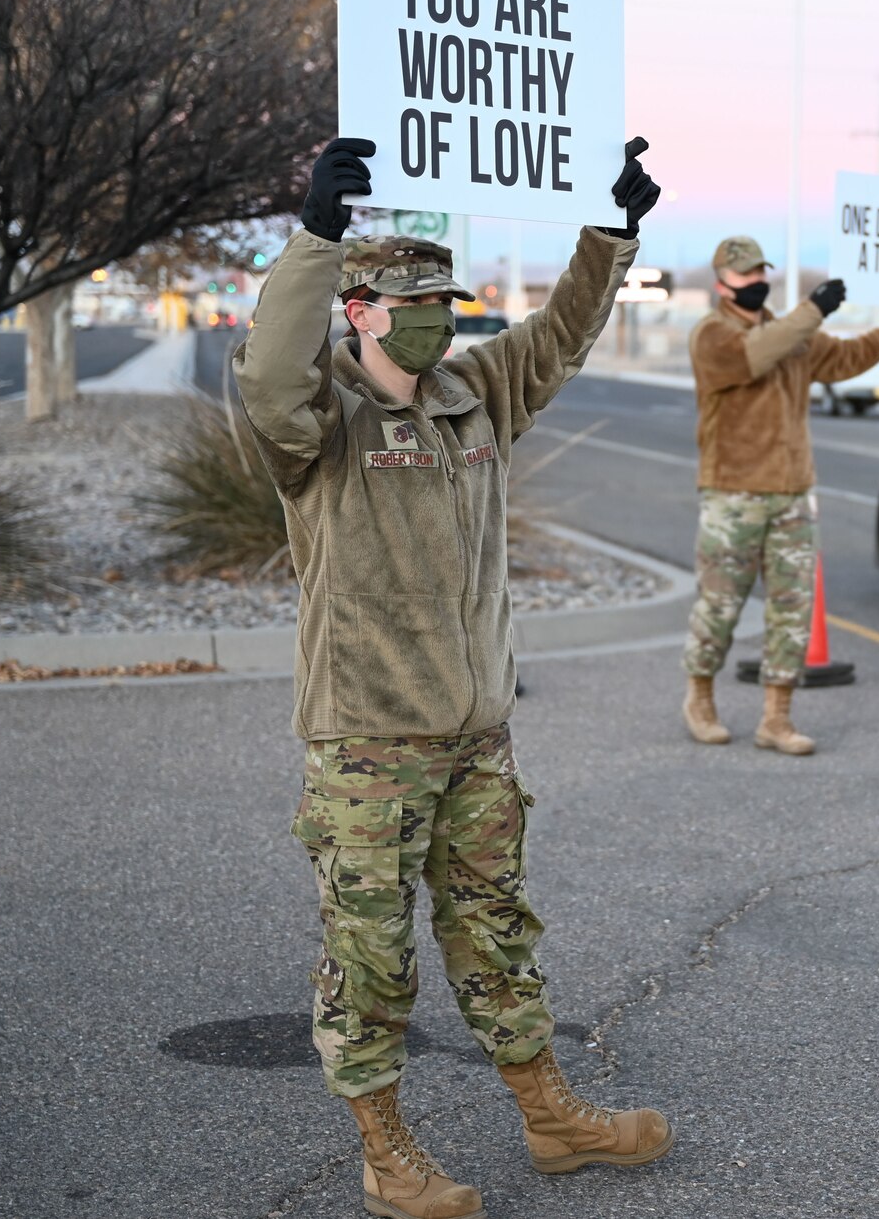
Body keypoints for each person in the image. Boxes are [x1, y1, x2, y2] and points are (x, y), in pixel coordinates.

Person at [234, 135, 666, 1219]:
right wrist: (314, 240)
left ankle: (551, 1116)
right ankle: (386, 1153)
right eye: (411, 302)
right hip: (368, 740)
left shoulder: (475, 392)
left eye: (445, 300)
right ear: (361, 308)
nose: (436, 317)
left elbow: (561, 334)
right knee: (370, 954)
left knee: (496, 931)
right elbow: (268, 375)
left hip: (476, 733)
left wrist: (610, 238)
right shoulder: (318, 424)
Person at [682, 238, 879, 754]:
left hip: (793, 494)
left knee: (793, 611)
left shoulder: (792, 333)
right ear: (721, 283)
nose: (754, 282)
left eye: (759, 272)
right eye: (743, 275)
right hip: (734, 493)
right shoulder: (712, 335)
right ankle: (700, 699)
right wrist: (814, 309)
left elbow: (845, 358)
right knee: (720, 606)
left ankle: (776, 718)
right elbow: (757, 354)